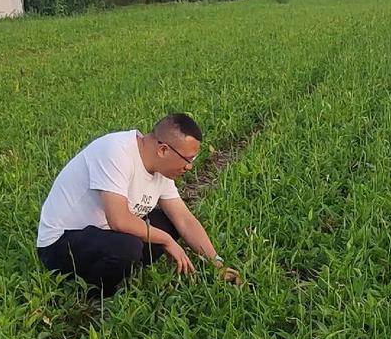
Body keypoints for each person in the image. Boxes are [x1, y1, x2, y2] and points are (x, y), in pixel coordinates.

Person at [36, 112, 241, 296]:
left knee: (168, 223)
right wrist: (167, 241)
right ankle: (95, 294)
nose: (189, 167)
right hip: (60, 243)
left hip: (103, 235)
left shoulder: (161, 172)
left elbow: (184, 219)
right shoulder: (116, 151)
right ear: (163, 150)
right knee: (128, 246)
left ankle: (122, 270)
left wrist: (217, 263)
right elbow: (119, 221)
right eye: (187, 159)